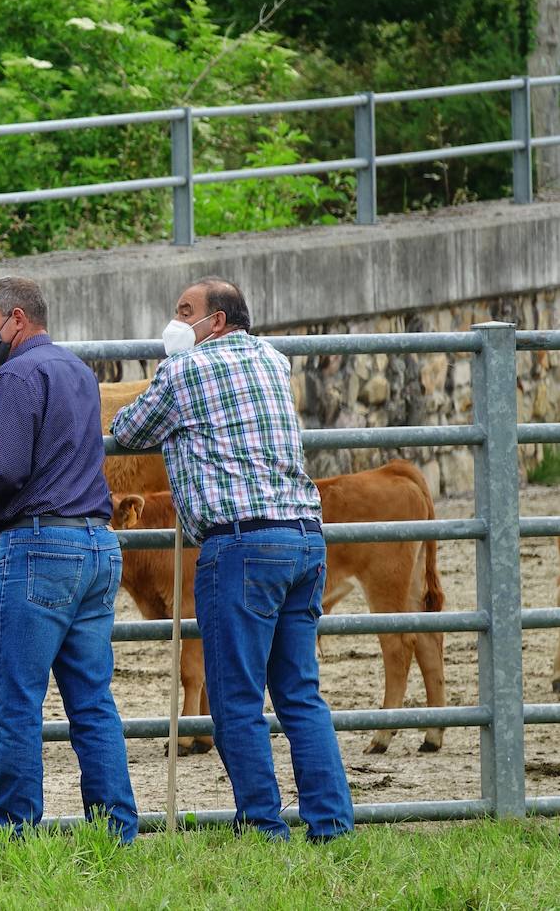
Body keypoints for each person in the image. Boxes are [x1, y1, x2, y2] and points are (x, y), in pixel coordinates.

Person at [111, 276, 354, 843]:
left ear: (214, 322)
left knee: (237, 698)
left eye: (184, 311)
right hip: (303, 536)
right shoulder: (273, 359)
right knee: (299, 692)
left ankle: (264, 828)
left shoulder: (185, 370)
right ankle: (332, 824)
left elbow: (128, 429)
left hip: (241, 545)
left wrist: (171, 375)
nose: (175, 321)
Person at [0, 276, 138, 840]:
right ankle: (116, 828)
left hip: (37, 548)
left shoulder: (14, 375)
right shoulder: (78, 371)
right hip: (95, 543)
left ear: (17, 320)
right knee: (92, 698)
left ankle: (15, 833)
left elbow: (6, 471)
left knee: (16, 701)